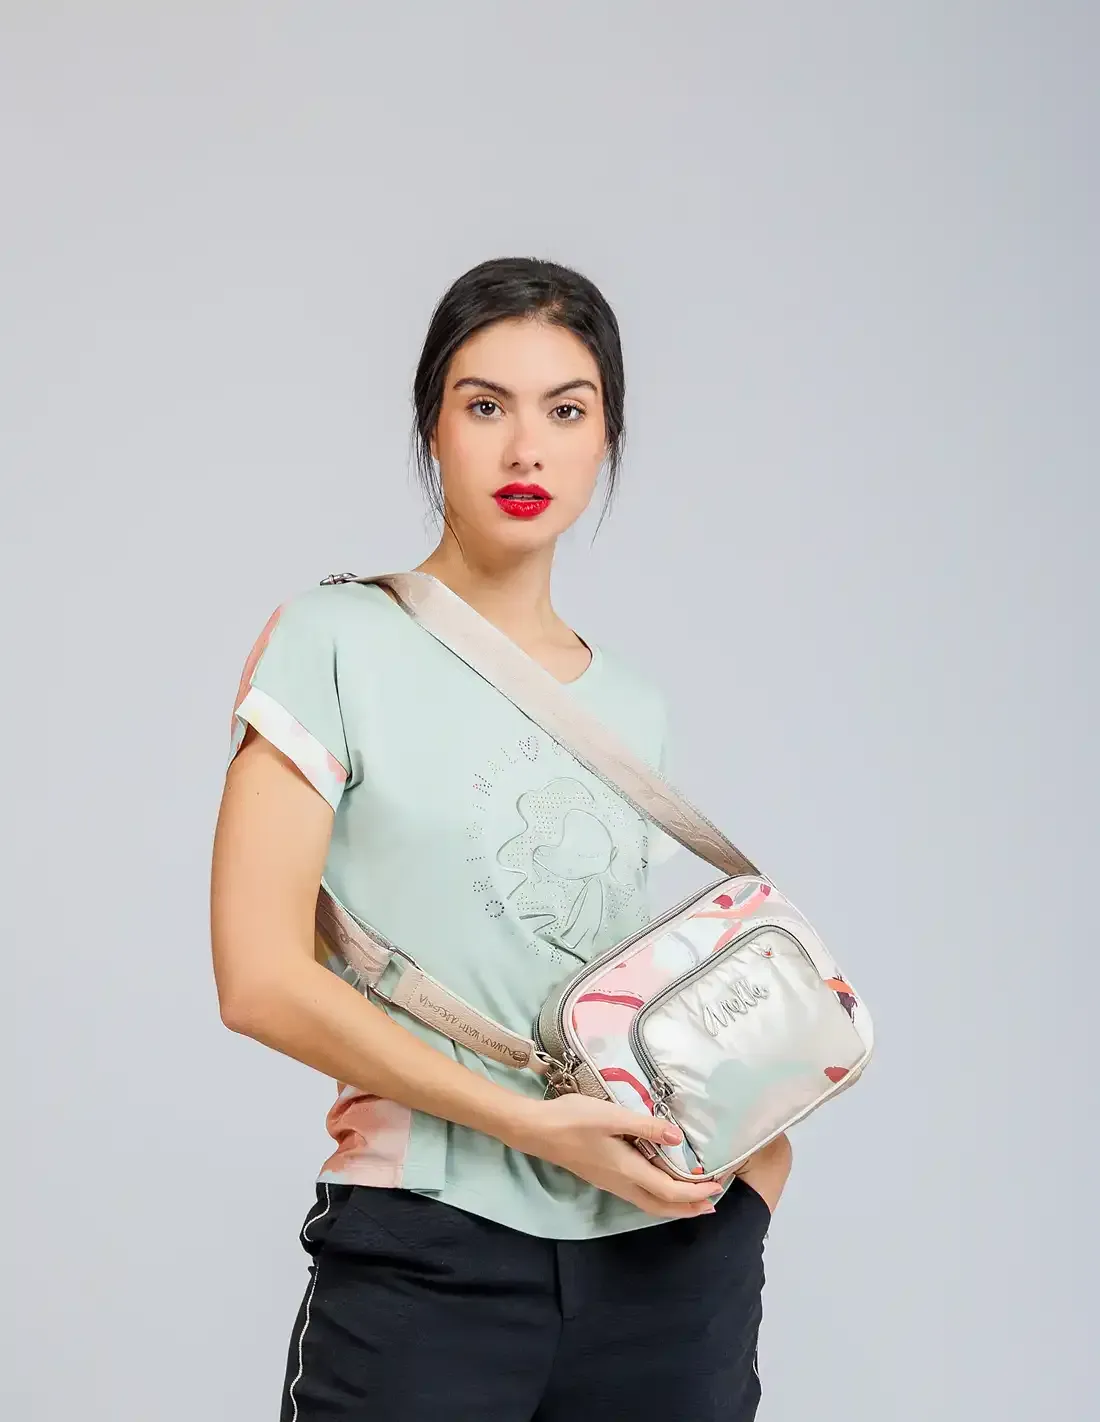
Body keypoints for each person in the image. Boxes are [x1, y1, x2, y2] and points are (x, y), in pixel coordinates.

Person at [210, 256, 793, 1421]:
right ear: (431, 426)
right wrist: (529, 1127)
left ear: (606, 437)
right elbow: (259, 980)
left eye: (565, 411)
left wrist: (753, 1183)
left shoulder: (633, 708)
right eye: (485, 406)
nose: (526, 449)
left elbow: (609, 996)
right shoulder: (334, 640)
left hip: (664, 1261)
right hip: (431, 1248)